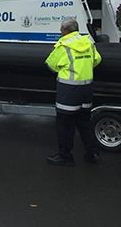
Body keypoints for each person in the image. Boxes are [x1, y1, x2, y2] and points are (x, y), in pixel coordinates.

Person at [44, 19, 102, 166]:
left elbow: (51, 66)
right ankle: (93, 153)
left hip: (69, 91)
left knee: (64, 125)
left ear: (65, 31)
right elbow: (97, 60)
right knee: (84, 122)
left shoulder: (63, 46)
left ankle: (65, 156)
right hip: (86, 90)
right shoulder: (88, 43)